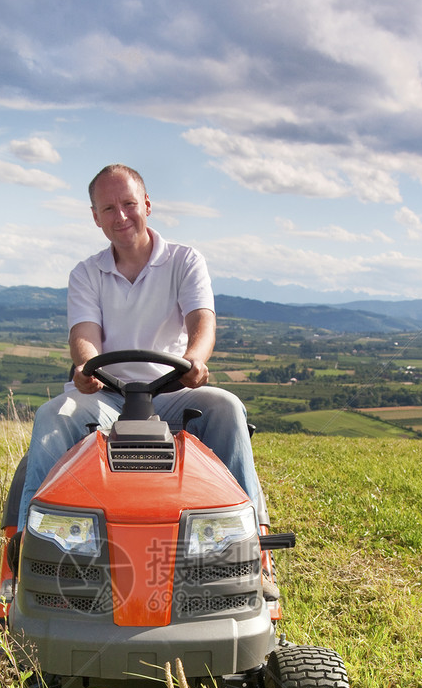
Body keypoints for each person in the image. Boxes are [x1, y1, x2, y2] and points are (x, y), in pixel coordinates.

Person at [15, 164, 263, 535]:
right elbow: (83, 334)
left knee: (226, 408)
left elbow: (202, 320)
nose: (121, 216)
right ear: (95, 217)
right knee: (53, 416)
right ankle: (23, 549)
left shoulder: (184, 261)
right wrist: (85, 365)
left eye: (129, 204)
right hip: (106, 398)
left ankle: (254, 542)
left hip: (171, 394)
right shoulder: (86, 273)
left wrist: (195, 358)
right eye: (109, 208)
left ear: (147, 204)